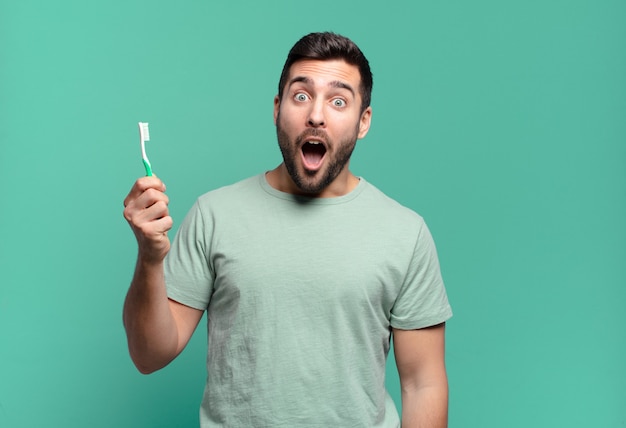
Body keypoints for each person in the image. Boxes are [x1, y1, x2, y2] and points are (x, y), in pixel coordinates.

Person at [123, 32, 452, 427]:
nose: (316, 115)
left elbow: (423, 384)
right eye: (301, 96)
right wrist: (149, 256)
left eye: (338, 100)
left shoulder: (405, 233)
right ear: (278, 108)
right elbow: (149, 355)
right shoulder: (215, 215)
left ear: (363, 121)